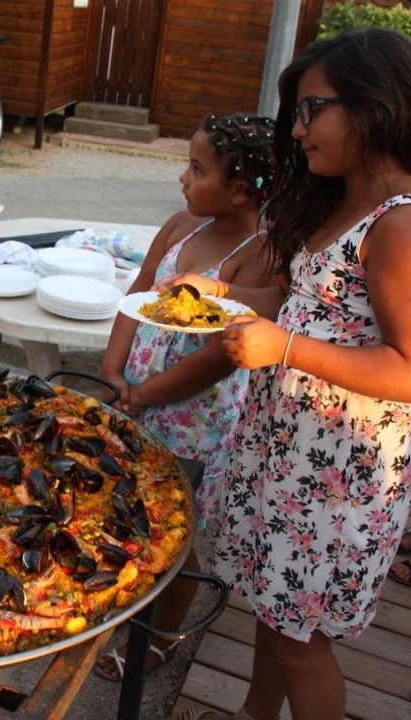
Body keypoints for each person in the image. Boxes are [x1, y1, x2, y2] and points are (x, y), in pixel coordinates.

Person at [170, 28, 411, 720]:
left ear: (374, 104)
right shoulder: (344, 204)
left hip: (338, 478)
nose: (298, 129)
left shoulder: (398, 225)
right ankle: (253, 714)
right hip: (286, 456)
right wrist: (217, 297)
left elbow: (407, 367)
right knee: (273, 617)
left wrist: (285, 351)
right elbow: (309, 309)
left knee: (302, 643)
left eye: (312, 110)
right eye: (296, 114)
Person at [94, 113, 280, 681]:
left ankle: (159, 639)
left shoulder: (259, 254)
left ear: (242, 189)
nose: (183, 179)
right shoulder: (180, 227)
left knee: (176, 529)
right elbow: (137, 295)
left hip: (194, 417)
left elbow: (220, 356)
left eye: (197, 170)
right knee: (130, 507)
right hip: (138, 397)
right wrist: (112, 368)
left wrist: (146, 393)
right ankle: (127, 603)